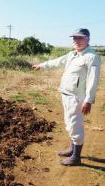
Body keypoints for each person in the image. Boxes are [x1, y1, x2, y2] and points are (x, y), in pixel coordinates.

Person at [32, 28, 101, 166]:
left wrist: (88, 100)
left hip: (77, 97)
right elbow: (57, 61)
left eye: (80, 38)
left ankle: (76, 157)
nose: (76, 41)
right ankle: (72, 149)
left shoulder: (91, 57)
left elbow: (93, 80)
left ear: (87, 39)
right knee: (69, 123)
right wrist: (41, 65)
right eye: (75, 38)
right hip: (66, 94)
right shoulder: (72, 54)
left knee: (75, 126)